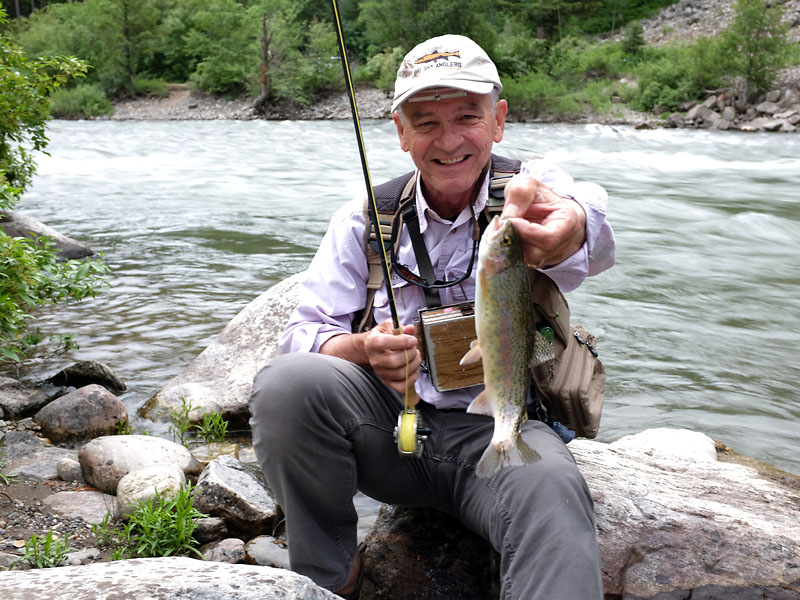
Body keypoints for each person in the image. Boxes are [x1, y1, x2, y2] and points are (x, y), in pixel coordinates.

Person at [249, 34, 615, 599]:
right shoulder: (366, 218)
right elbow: (302, 333)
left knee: (553, 488)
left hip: (499, 428)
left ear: (499, 120)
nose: (448, 140)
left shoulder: (527, 198)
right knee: (288, 384)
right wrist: (363, 349)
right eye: (424, 122)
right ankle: (325, 580)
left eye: (467, 116)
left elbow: (585, 212)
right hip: (390, 434)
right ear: (400, 133)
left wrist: (571, 222)